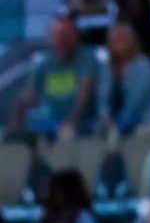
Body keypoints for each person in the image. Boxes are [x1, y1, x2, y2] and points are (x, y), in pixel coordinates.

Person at [7, 13, 98, 141]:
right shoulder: (44, 63)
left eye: (66, 35)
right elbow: (28, 96)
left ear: (76, 36)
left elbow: (84, 94)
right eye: (58, 36)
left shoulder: (87, 58)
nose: (62, 40)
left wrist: (70, 123)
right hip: (49, 124)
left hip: (81, 126)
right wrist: (15, 129)